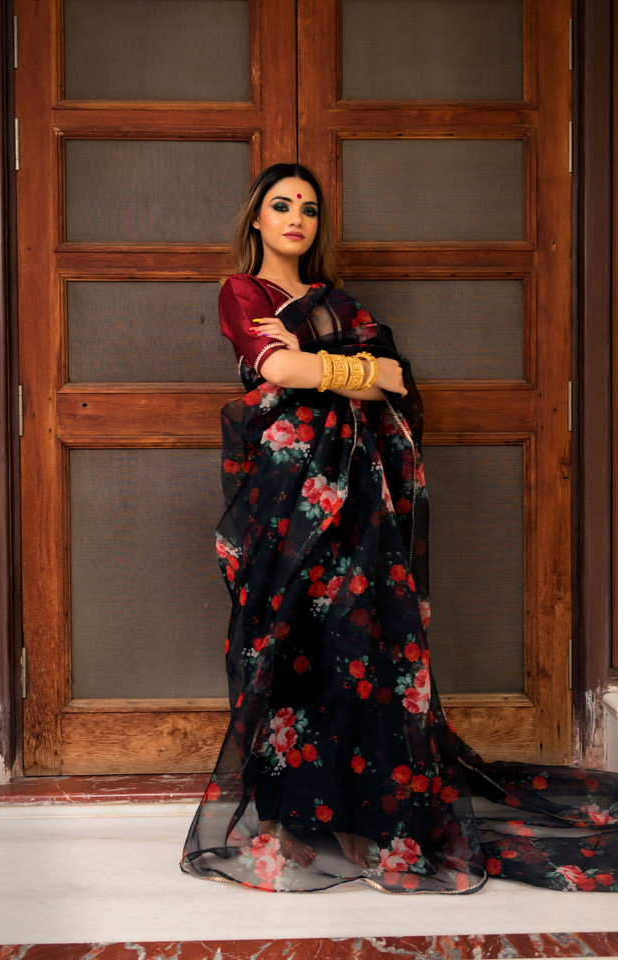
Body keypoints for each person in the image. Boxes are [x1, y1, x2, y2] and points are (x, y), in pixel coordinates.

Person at [180, 163, 618, 894]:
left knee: (361, 643)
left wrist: (321, 361)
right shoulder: (242, 292)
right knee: (287, 640)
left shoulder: (337, 300)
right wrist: (343, 365)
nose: (296, 219)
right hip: (287, 496)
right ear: (257, 218)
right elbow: (277, 372)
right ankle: (293, 820)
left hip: (357, 496)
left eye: (308, 208)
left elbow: (393, 378)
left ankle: (363, 818)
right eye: (281, 206)